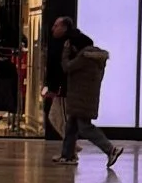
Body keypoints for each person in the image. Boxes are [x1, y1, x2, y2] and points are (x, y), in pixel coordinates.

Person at [49, 16, 120, 168]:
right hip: (81, 96)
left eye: (56, 26)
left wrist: (66, 52)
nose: (53, 29)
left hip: (81, 98)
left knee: (84, 127)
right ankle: (67, 155)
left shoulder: (84, 57)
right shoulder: (93, 60)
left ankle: (110, 149)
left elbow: (67, 67)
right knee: (71, 126)